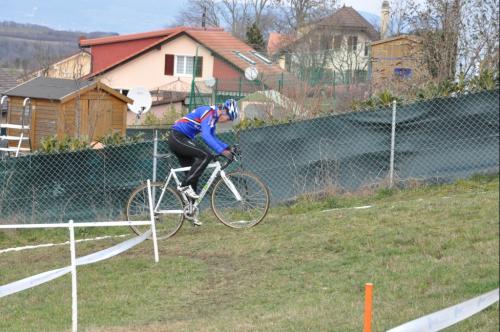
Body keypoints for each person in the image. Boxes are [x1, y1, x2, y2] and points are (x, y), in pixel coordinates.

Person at [168, 99, 239, 200]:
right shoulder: (209, 112)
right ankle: (184, 185)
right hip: (177, 137)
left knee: (192, 178)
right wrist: (222, 151)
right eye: (228, 119)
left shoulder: (213, 118)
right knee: (206, 155)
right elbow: (206, 136)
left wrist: (228, 147)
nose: (227, 121)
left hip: (183, 139)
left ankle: (189, 211)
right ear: (224, 111)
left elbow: (212, 137)